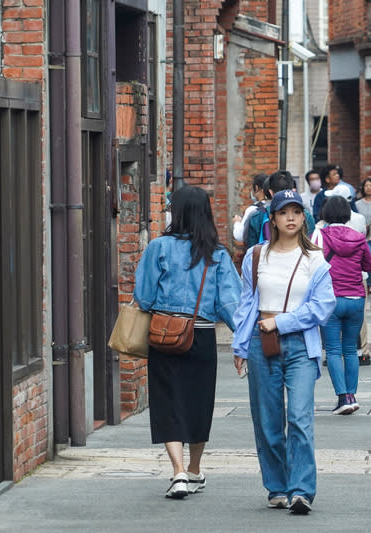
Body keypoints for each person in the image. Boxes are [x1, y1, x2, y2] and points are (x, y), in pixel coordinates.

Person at [231, 189, 336, 514]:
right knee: (267, 419)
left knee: (300, 417)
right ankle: (277, 486)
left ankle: (302, 490)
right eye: (283, 212)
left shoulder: (315, 258)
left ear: (304, 217)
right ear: (273, 219)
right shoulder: (256, 255)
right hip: (262, 343)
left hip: (301, 344)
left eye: (296, 211)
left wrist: (284, 322)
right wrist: (240, 342)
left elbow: (323, 307)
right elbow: (247, 302)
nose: (290, 217)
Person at [134, 186, 242, 499]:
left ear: (177, 212)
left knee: (168, 402)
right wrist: (243, 341)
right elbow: (229, 303)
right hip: (202, 334)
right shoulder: (216, 253)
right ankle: (194, 469)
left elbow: (143, 297)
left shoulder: (159, 247)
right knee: (198, 404)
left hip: (164, 333)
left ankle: (178, 472)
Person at [317, 195, 371, 414]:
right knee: (351, 350)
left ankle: (342, 398)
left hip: (330, 300)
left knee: (332, 351)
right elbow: (369, 265)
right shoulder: (358, 237)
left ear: (325, 213)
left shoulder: (320, 236)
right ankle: (351, 395)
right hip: (356, 299)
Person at [233, 173, 269, 244]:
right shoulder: (274, 206)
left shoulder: (252, 209)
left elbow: (239, 236)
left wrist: (236, 222)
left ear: (256, 188)